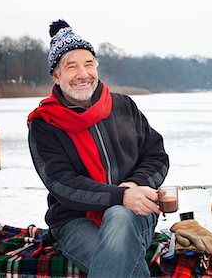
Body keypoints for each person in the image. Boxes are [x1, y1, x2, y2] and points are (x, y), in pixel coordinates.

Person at [27, 20, 169, 277]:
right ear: (56, 76)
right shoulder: (44, 124)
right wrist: (119, 196)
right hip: (73, 219)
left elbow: (156, 155)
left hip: (136, 211)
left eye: (89, 64)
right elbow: (63, 184)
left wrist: (135, 185)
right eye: (72, 66)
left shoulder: (123, 106)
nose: (83, 73)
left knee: (120, 216)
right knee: (120, 260)